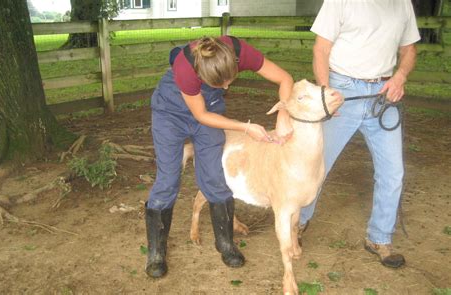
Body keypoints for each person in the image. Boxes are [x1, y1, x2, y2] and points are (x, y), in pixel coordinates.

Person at [145, 35, 294, 278]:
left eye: (229, 81)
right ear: (201, 75)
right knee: (167, 180)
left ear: (235, 62)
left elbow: (285, 78)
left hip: (210, 109)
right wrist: (246, 127)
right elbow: (201, 115)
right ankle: (156, 252)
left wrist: (283, 112)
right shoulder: (185, 69)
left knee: (214, 177)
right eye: (219, 85)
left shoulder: (241, 51)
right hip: (170, 114)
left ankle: (225, 243)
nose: (226, 88)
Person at [299, 0, 420, 268]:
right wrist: (325, 94)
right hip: (344, 89)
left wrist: (400, 77)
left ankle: (379, 237)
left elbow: (410, 49)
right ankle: (298, 222)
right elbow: (321, 49)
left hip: (383, 94)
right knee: (317, 165)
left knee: (393, 172)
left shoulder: (402, 4)